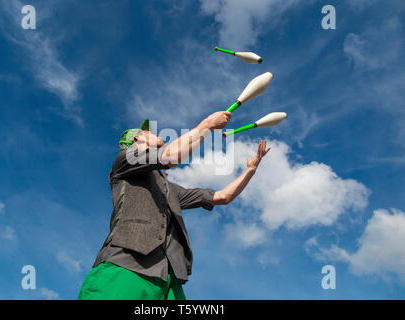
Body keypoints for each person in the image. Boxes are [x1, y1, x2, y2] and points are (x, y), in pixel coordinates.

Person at [77, 112, 271, 300]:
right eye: (148, 133)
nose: (155, 133)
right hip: (125, 267)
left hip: (170, 282)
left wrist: (250, 171)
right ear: (137, 139)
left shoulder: (170, 189)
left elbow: (222, 197)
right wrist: (208, 124)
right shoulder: (125, 160)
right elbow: (171, 156)